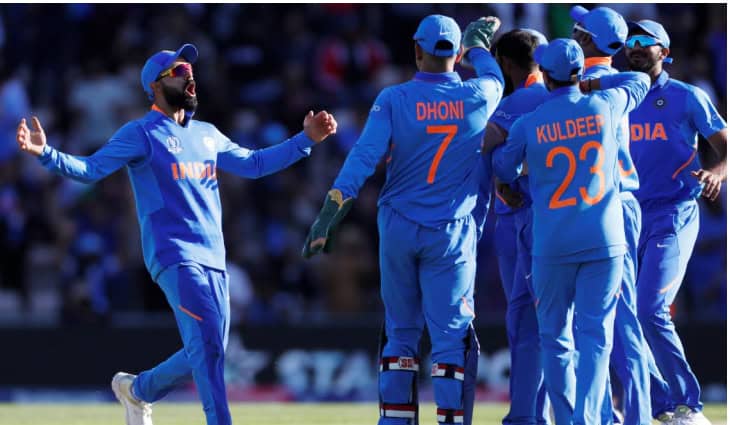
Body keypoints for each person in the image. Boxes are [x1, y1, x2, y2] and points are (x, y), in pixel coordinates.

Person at [16, 43, 337, 425]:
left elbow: (254, 164)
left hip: (215, 259)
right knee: (208, 347)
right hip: (174, 255)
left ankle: (138, 390)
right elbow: (91, 169)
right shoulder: (141, 133)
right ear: (155, 85)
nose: (190, 77)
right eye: (180, 72)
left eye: (191, 71)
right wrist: (46, 153)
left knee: (209, 349)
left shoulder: (207, 134)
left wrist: (305, 140)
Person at [302, 14, 504, 425]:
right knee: (450, 339)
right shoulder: (478, 95)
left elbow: (362, 159)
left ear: (416, 51)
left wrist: (328, 215)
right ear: (457, 56)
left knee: (400, 334)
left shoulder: (393, 99)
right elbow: (495, 77)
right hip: (450, 232)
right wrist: (479, 46)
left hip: (397, 227)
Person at [487, 38, 650, 425]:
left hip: (552, 244)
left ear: (544, 75)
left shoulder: (529, 123)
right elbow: (640, 80)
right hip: (603, 239)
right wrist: (592, 83)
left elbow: (503, 168)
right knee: (596, 338)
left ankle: (565, 419)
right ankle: (587, 419)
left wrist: (513, 177)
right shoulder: (606, 105)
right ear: (580, 72)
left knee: (555, 339)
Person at [624, 19, 727, 425]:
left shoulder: (687, 97)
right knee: (621, 316)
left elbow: (725, 147)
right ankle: (662, 407)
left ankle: (689, 406)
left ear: (664, 52)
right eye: (630, 41)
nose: (634, 47)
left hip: (673, 213)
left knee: (649, 308)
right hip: (626, 218)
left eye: (644, 41)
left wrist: (716, 173)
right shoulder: (617, 97)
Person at [570, 5, 652, 425]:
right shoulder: (602, 81)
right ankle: (606, 415)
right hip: (597, 207)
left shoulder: (598, 84)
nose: (572, 32)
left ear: (586, 38)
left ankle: (635, 416)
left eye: (577, 28)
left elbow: (640, 79)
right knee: (594, 326)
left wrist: (588, 81)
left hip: (611, 204)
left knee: (619, 322)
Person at [484, 28, 551, 425]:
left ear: (505, 64)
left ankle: (527, 417)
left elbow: (482, 143)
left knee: (526, 322)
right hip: (571, 220)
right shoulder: (579, 99)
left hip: (521, 219)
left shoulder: (520, 100)